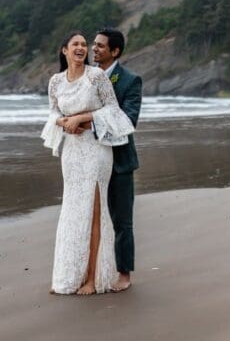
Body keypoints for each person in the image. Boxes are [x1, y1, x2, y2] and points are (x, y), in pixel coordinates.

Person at [41, 31, 135, 295]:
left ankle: (93, 280)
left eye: (85, 44)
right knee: (72, 212)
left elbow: (113, 111)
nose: (82, 48)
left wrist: (81, 118)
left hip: (95, 151)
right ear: (64, 50)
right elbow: (53, 112)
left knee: (94, 211)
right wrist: (64, 123)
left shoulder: (97, 76)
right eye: (76, 44)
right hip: (71, 151)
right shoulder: (55, 81)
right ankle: (69, 276)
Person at [92, 27, 142, 292]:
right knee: (90, 218)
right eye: (94, 44)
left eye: (100, 46)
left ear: (115, 51)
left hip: (120, 161)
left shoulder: (130, 81)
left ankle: (124, 274)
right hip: (90, 159)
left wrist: (89, 119)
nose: (94, 49)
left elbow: (128, 120)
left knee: (122, 221)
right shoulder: (87, 77)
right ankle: (92, 272)